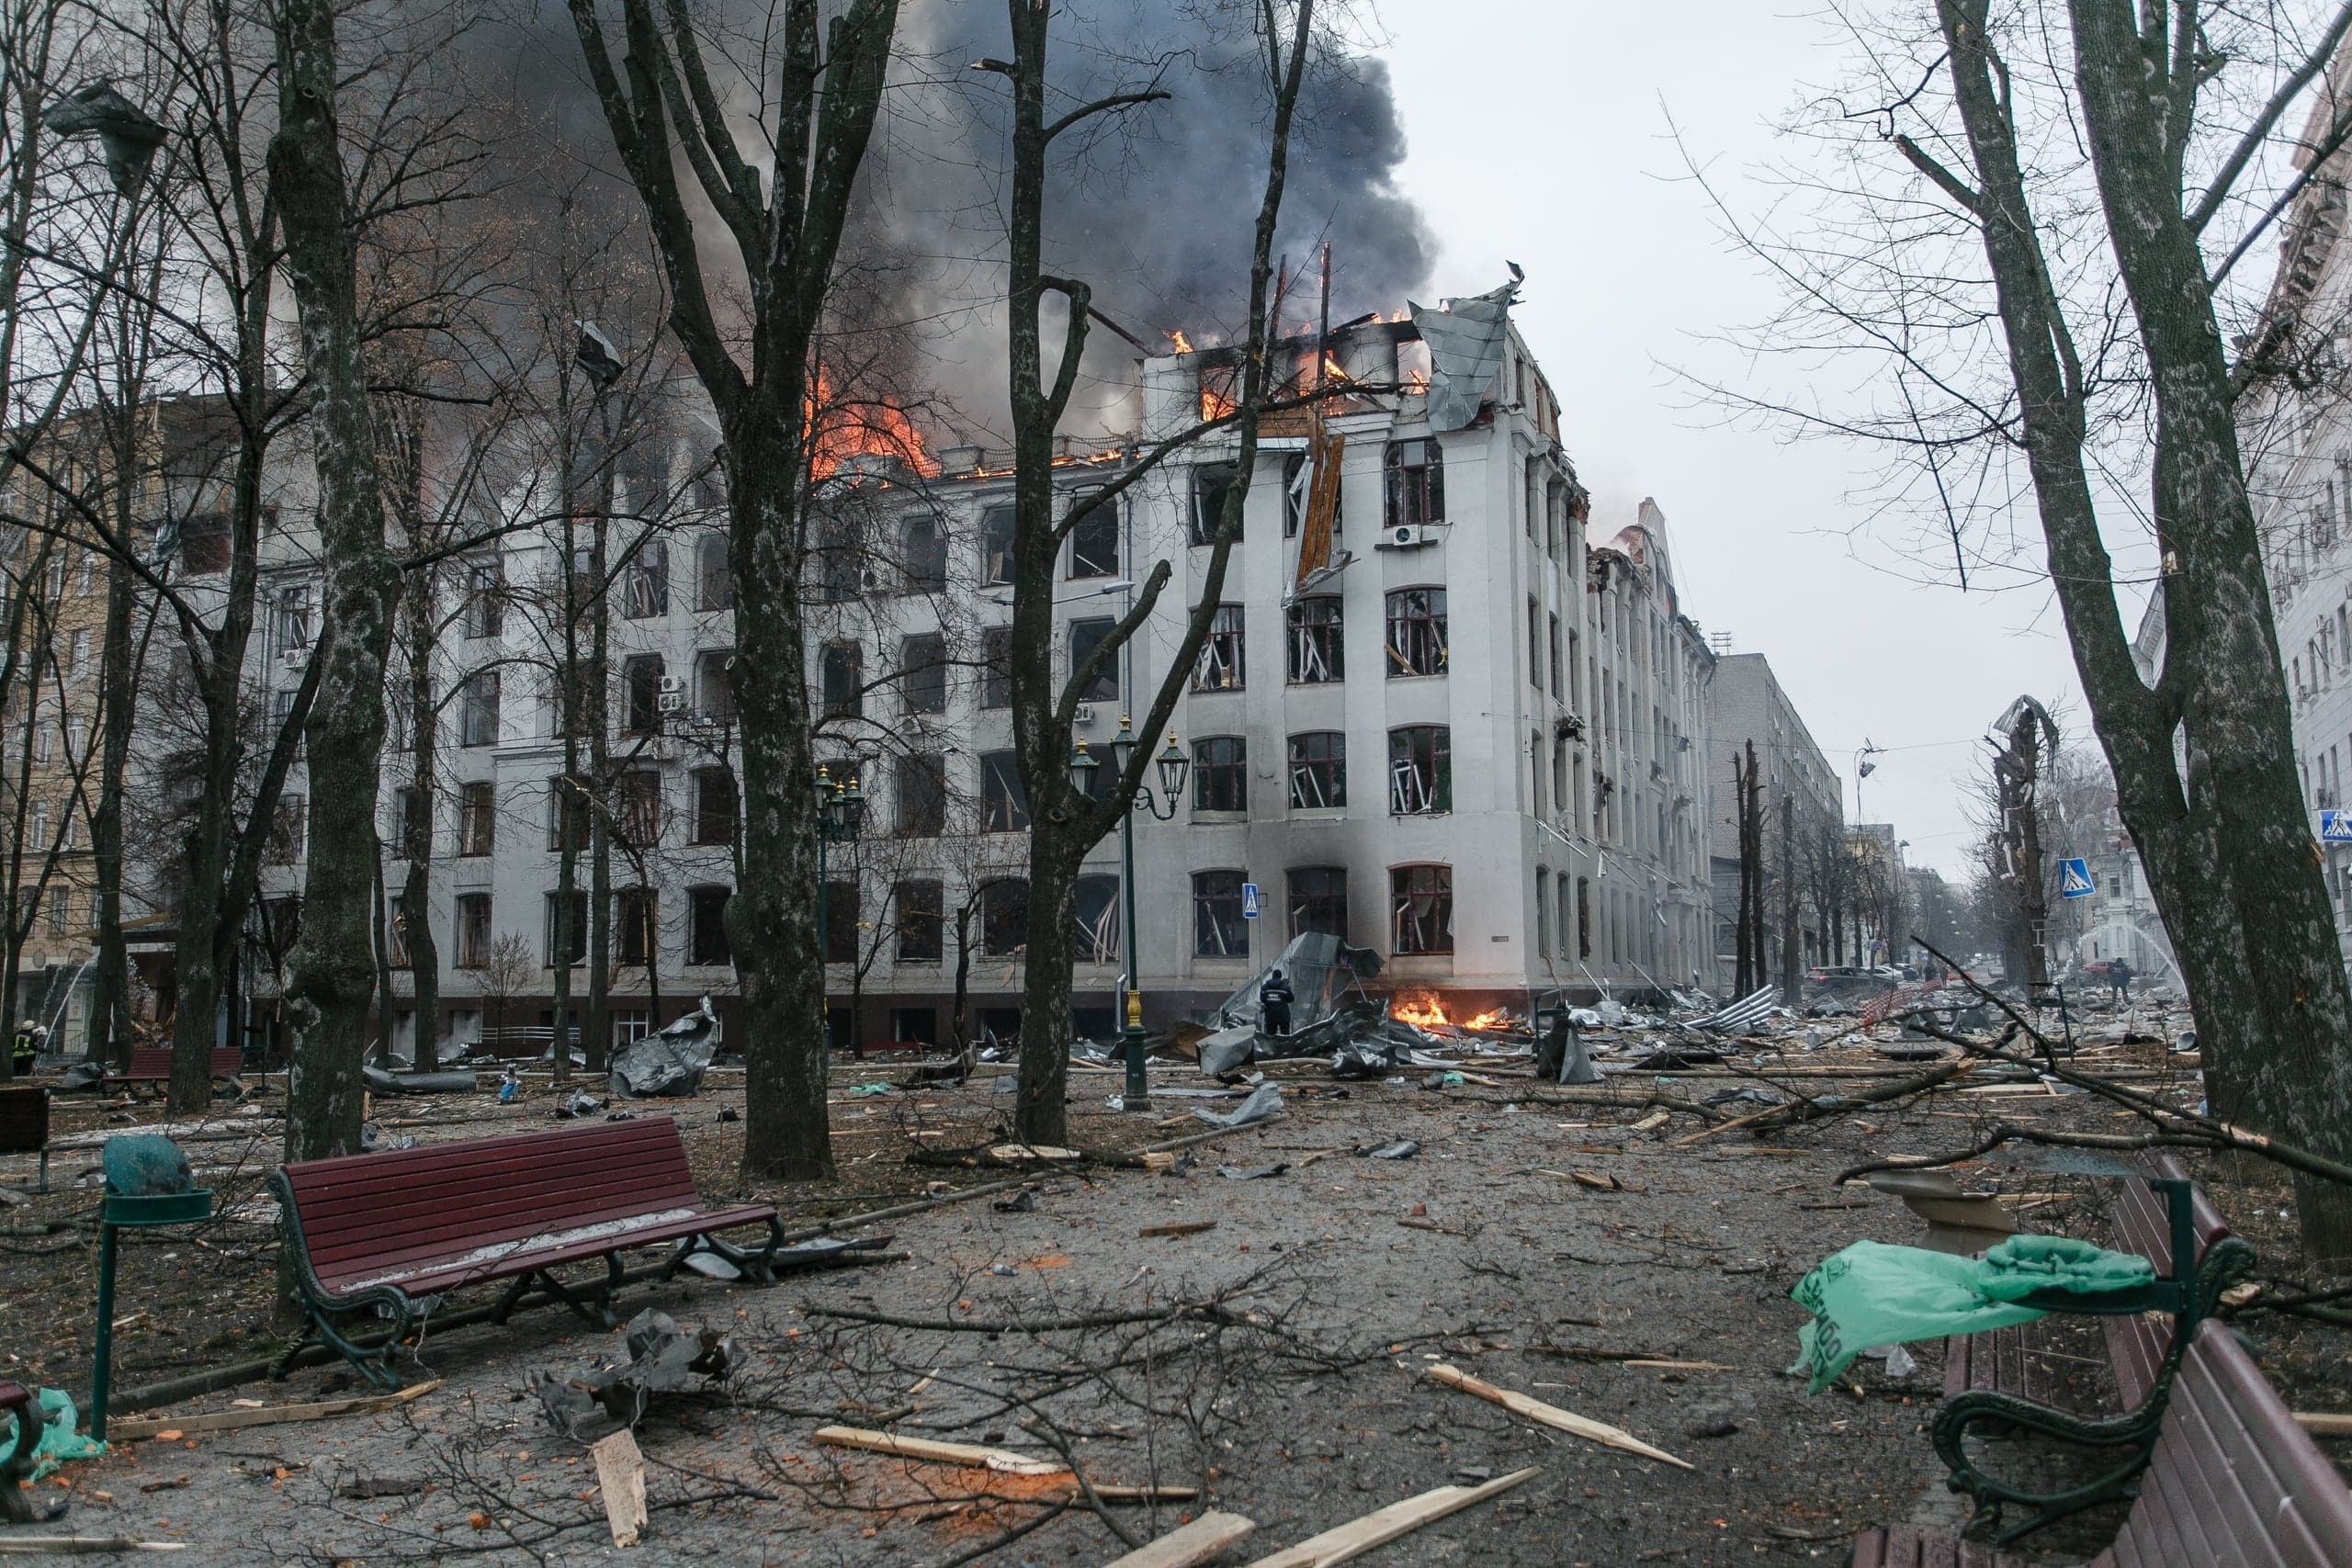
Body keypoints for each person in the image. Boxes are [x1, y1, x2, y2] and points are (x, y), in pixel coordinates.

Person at [1259, 967, 1294, 1038]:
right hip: (1283, 1015)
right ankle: (1285, 1048)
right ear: (1280, 977)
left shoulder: (1264, 988)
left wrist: (1271, 1000)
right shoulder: (1286, 988)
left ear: (1273, 976)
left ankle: (1271, 1048)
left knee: (1270, 1037)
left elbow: (1262, 1000)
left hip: (1270, 1015)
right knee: (1285, 1037)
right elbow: (1291, 999)